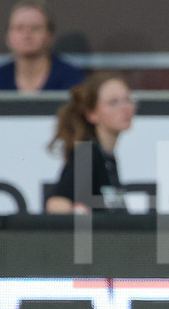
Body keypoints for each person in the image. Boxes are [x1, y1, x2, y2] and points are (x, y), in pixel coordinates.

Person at [45, 72, 135, 213]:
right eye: (113, 102)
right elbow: (57, 204)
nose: (125, 108)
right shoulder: (86, 155)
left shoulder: (107, 156)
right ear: (92, 113)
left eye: (127, 100)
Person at [0, 0, 85, 92]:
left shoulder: (70, 77)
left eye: (35, 28)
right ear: (8, 37)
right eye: (19, 28)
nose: (27, 35)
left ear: (49, 36)